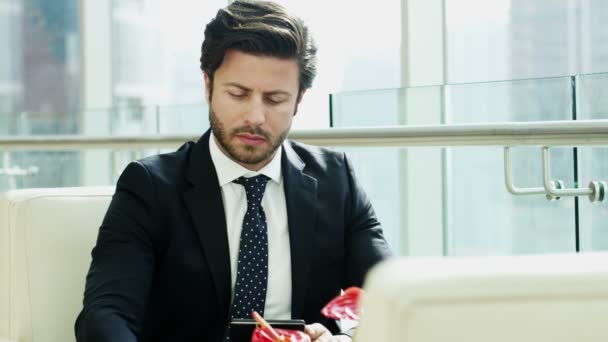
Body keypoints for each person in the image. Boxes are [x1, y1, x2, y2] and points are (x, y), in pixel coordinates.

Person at [75, 1, 391, 341]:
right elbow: (106, 315)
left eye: (274, 99)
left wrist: (341, 339)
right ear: (208, 85)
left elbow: (389, 300)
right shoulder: (150, 187)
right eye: (238, 94)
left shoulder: (337, 181)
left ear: (299, 99)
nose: (255, 117)